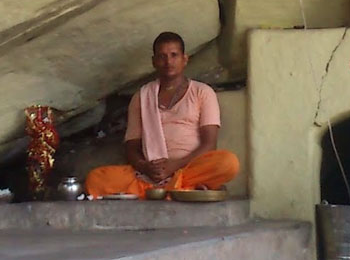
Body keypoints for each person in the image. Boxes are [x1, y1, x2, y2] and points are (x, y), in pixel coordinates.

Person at [85, 32, 239, 199]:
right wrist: (145, 167)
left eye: (174, 55)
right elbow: (132, 146)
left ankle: (163, 189)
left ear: (184, 59)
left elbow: (209, 144)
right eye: (162, 57)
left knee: (228, 163)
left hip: (189, 166)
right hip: (149, 173)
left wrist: (175, 166)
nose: (168, 62)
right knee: (96, 178)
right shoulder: (142, 96)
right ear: (154, 62)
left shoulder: (202, 92)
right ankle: (183, 188)